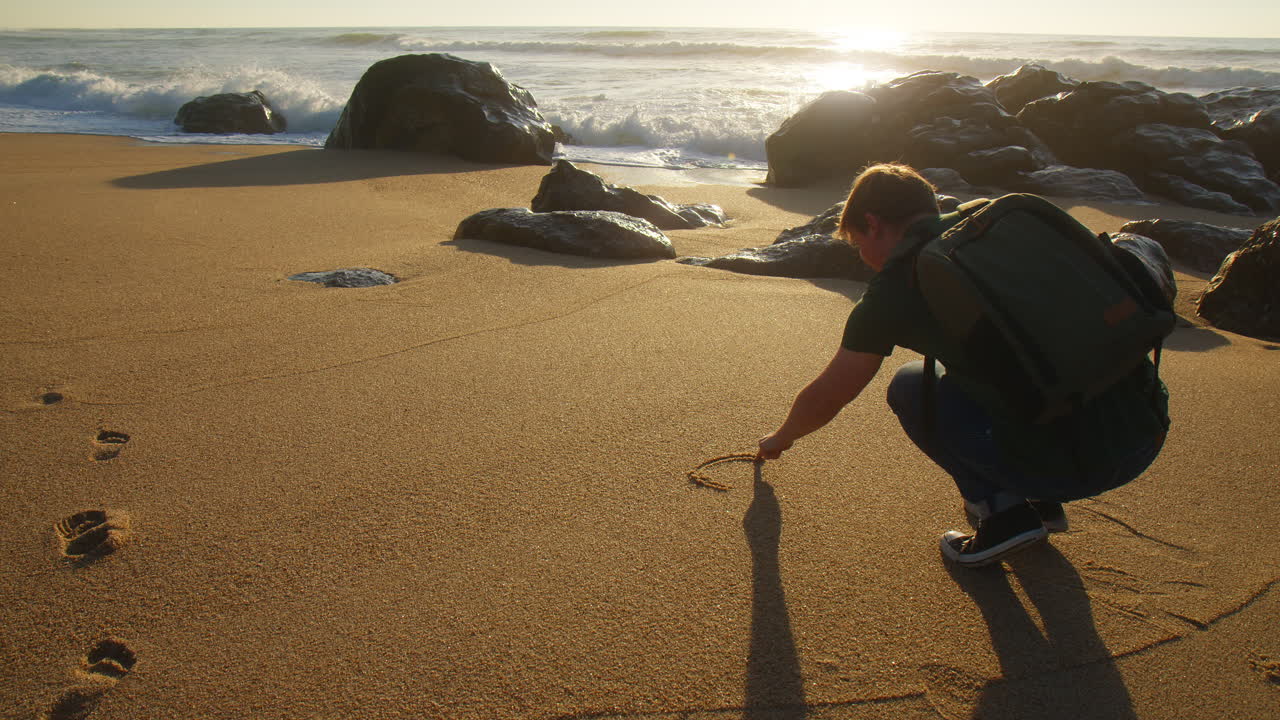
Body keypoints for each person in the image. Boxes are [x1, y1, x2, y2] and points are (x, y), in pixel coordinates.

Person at [755, 163, 1170, 567]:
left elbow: (830, 394)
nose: (865, 259)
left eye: (859, 244)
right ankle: (1043, 506)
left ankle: (1004, 515)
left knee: (912, 386)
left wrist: (781, 437)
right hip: (1146, 431)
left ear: (874, 224)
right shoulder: (1001, 229)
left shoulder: (896, 288)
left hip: (1074, 468)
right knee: (1000, 363)